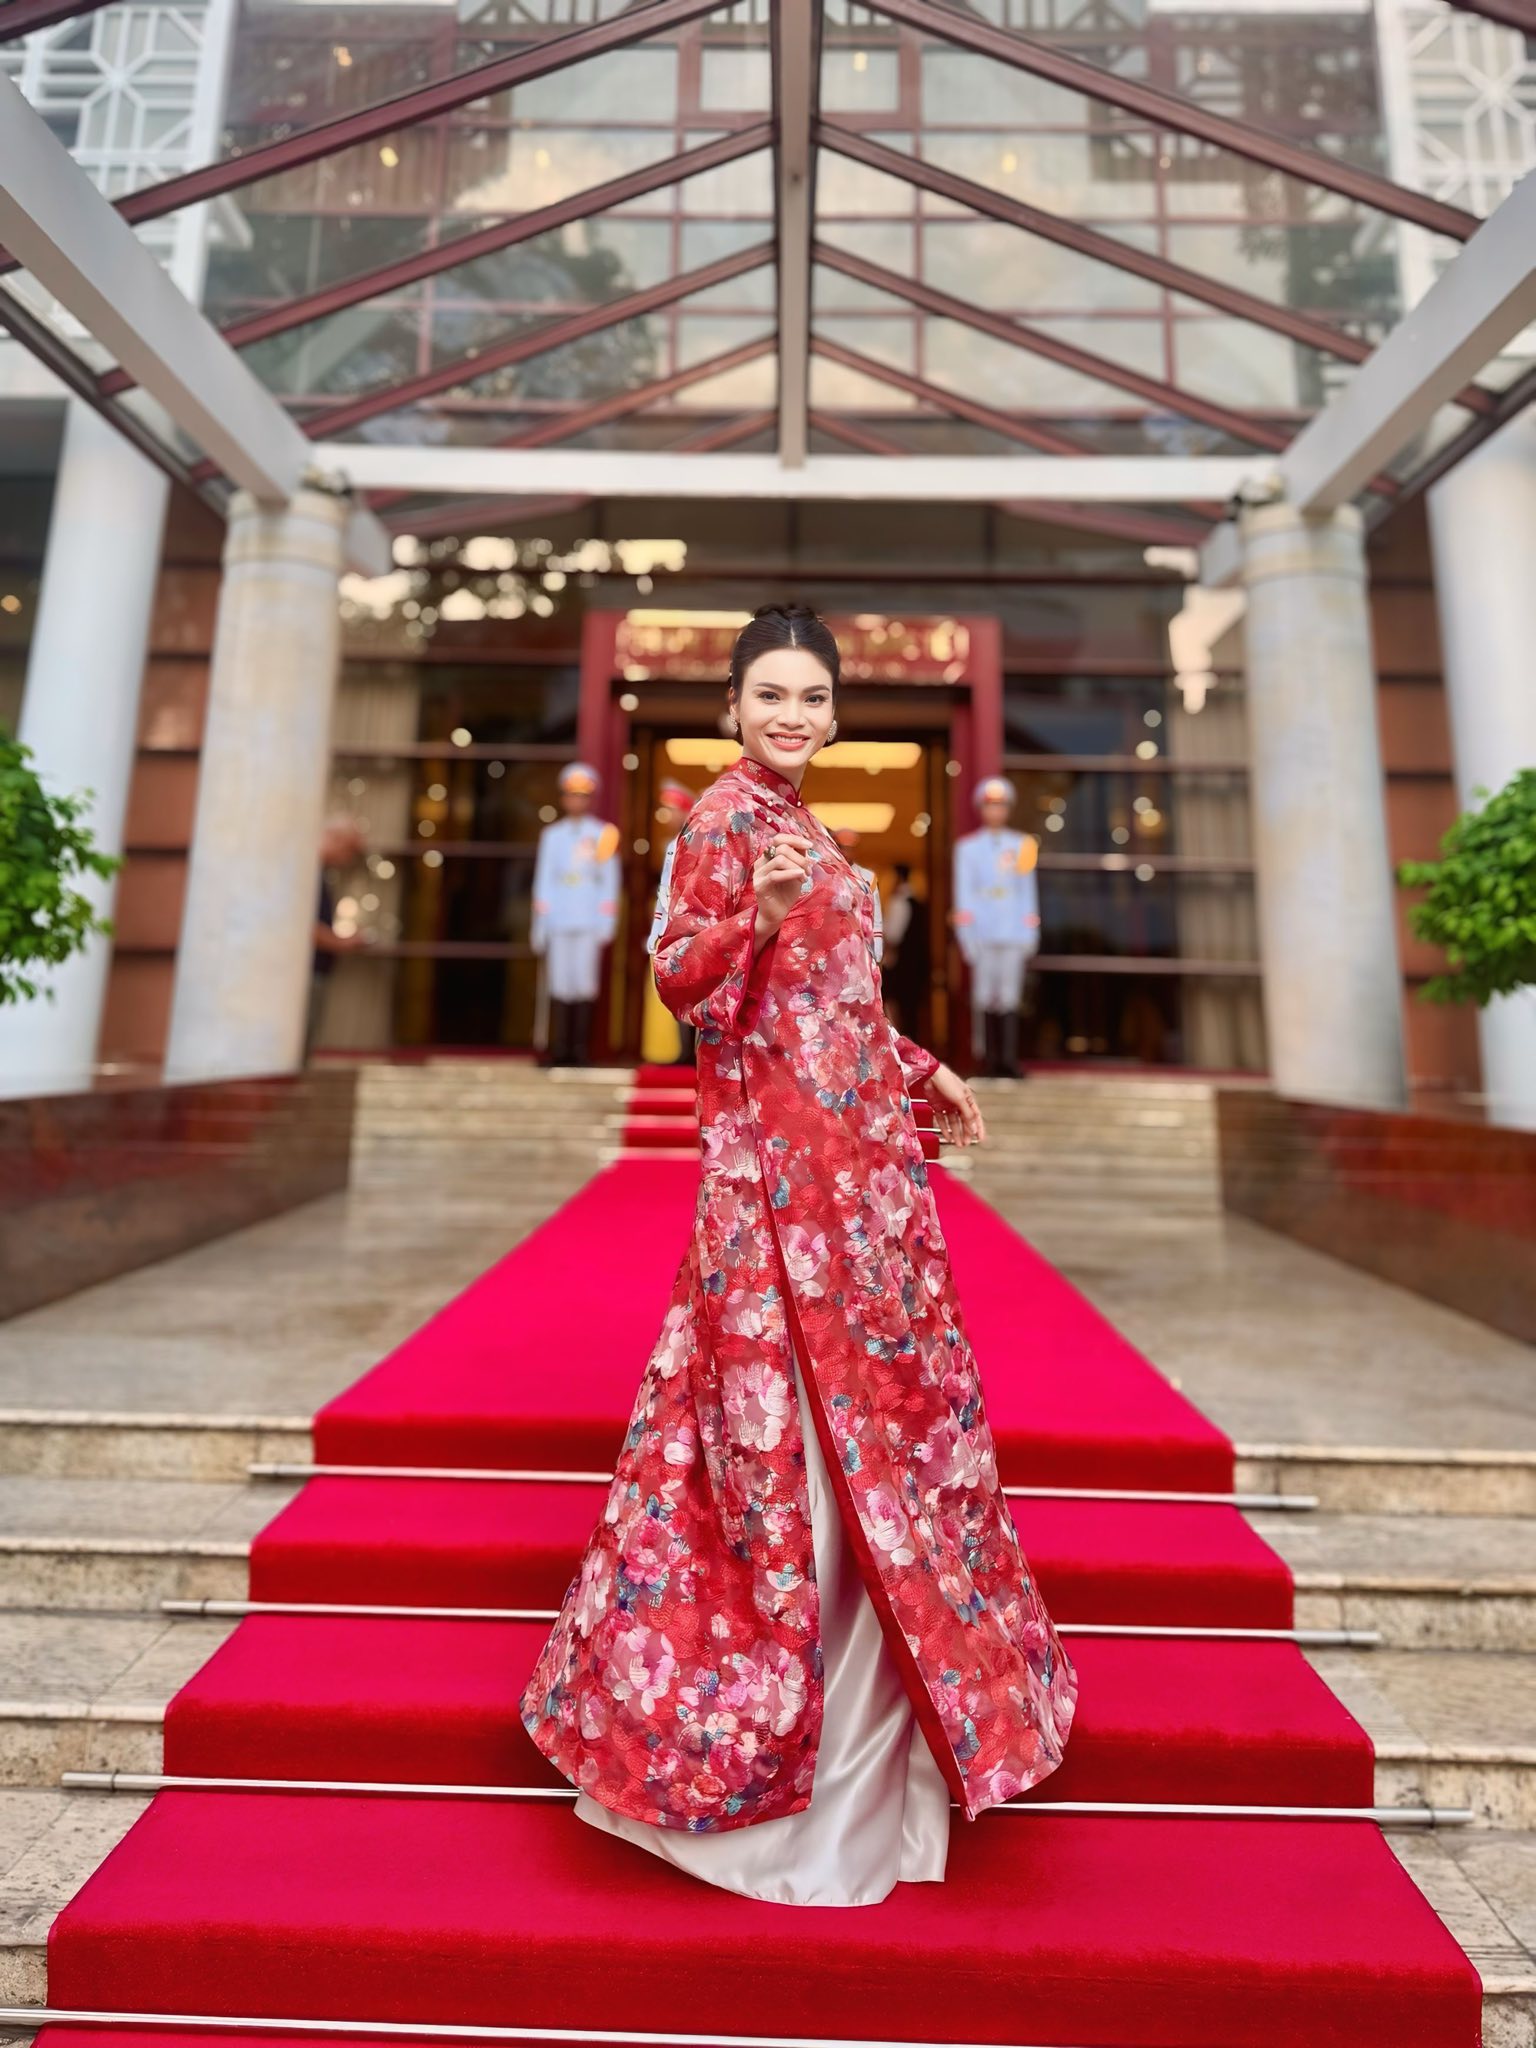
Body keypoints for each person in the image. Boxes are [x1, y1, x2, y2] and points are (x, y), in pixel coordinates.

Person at [520, 602, 1078, 1908]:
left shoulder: (809, 824)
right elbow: (683, 980)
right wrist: (757, 917)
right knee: (781, 1434)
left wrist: (921, 1069)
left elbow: (832, 1007)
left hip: (859, 1179)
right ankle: (769, 1757)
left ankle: (884, 1729)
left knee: (875, 1423)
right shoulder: (726, 820)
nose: (793, 715)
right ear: (731, 707)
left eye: (812, 697)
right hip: (775, 1185)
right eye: (770, 694)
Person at [530, 762, 620, 1068]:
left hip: (588, 917)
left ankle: (580, 1049)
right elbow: (544, 881)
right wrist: (540, 924)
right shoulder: (552, 835)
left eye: (582, 796)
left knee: (584, 983)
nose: (576, 801)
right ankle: (559, 1048)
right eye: (572, 795)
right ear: (563, 798)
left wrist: (606, 921)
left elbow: (609, 882)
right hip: (559, 916)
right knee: (559, 983)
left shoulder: (603, 834)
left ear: (590, 799)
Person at [952, 775, 1040, 1079]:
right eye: (990, 805)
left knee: (1009, 996)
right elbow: (964, 894)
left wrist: (1030, 930)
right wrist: (966, 935)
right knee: (984, 996)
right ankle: (988, 1059)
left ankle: (1008, 1059)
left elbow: (1027, 891)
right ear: (981, 809)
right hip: (983, 929)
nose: (996, 811)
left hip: (1012, 929)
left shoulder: (1022, 845)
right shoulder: (968, 848)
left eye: (1001, 805)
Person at [305, 814, 368, 1062]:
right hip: (306, 972)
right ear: (336, 840)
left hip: (315, 970)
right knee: (300, 1044)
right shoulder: (307, 872)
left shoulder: (317, 872)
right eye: (350, 849)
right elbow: (303, 926)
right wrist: (341, 943)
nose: (349, 858)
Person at [645, 776, 697, 1066]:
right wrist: (658, 929)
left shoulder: (699, 842)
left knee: (698, 990)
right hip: (674, 927)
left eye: (672, 810)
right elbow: (664, 891)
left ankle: (695, 1053)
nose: (667, 816)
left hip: (695, 926)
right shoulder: (670, 845)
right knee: (678, 988)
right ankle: (683, 1050)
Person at [881, 860, 930, 1041]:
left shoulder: (899, 902)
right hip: (917, 965)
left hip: (901, 965)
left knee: (897, 1007)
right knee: (912, 1010)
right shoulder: (918, 902)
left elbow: (893, 936)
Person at [832, 825, 883, 961]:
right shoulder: (825, 873)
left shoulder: (868, 878)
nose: (845, 852)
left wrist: (877, 953)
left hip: (860, 944)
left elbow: (875, 918)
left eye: (850, 848)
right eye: (841, 847)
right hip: (832, 943)